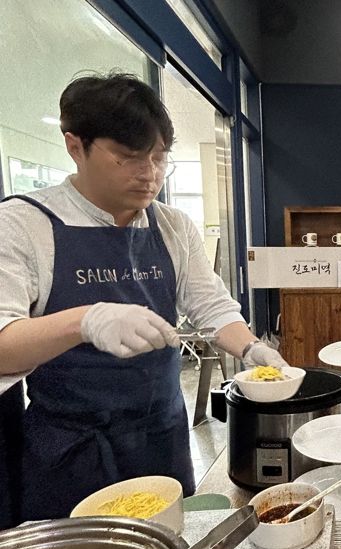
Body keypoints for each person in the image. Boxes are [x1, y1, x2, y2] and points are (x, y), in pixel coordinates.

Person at [0, 73, 286, 524]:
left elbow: (209, 305)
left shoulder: (172, 226)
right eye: (129, 157)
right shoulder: (23, 224)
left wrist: (251, 349)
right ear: (76, 146)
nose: (149, 174)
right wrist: (86, 320)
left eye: (159, 157)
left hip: (161, 434)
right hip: (71, 446)